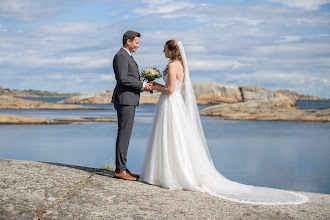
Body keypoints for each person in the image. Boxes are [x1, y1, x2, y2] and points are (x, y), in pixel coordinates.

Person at [140, 39, 309, 205]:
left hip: (170, 103)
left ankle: (166, 173)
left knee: (169, 137)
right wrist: (158, 84)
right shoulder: (180, 65)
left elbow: (169, 90)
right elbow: (173, 86)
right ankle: (173, 172)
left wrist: (154, 86)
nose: (163, 52)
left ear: (172, 50)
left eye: (164, 49)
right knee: (175, 139)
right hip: (175, 103)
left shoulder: (172, 65)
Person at [112, 30, 152, 181]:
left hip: (129, 100)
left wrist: (145, 83)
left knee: (126, 134)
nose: (138, 46)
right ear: (128, 41)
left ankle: (123, 168)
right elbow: (123, 79)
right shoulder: (120, 56)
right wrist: (142, 85)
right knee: (124, 134)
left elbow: (129, 77)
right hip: (125, 100)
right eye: (136, 42)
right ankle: (120, 170)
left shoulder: (127, 56)